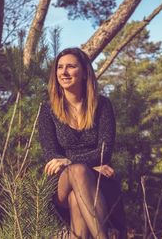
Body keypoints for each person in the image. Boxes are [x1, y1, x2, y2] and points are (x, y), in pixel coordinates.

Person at [38, 47, 126, 239]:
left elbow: (105, 151)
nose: (64, 72)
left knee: (77, 197)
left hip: (96, 180)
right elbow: (51, 156)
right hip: (60, 180)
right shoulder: (47, 110)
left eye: (71, 66)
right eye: (60, 67)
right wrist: (74, 164)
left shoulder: (102, 105)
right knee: (77, 171)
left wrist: (69, 160)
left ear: (85, 72)